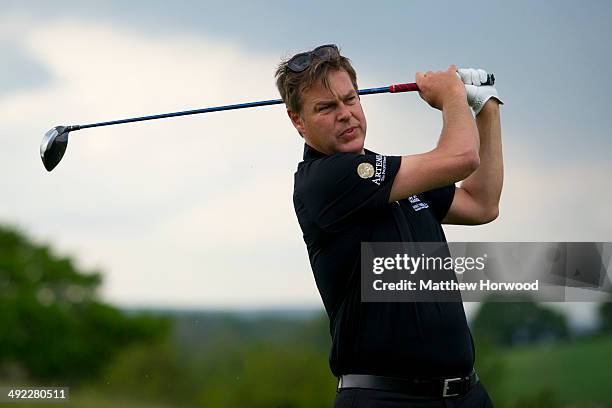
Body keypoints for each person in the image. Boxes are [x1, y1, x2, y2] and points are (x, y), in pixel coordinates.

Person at [275, 44, 503, 407]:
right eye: (326, 107)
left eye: (351, 99)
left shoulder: (393, 176)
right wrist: (452, 97)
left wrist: (486, 108)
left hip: (465, 395)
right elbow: (462, 157)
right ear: (297, 120)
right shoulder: (323, 181)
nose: (345, 114)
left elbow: (481, 203)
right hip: (384, 399)